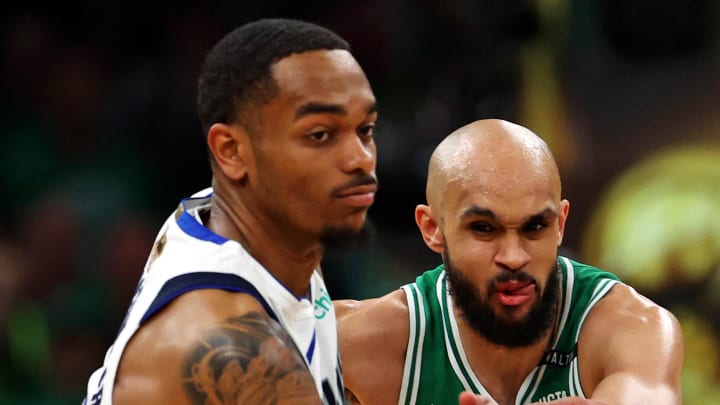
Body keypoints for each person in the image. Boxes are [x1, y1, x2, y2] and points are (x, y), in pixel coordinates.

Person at [83, 18, 378, 405]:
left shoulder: (257, 227)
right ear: (230, 151)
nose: (360, 159)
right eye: (319, 135)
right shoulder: (234, 345)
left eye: (365, 129)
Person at [335, 119, 684, 405]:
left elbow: (645, 396)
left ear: (560, 224)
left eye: (535, 227)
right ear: (432, 228)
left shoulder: (633, 326)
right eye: (484, 229)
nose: (514, 257)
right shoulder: (361, 341)